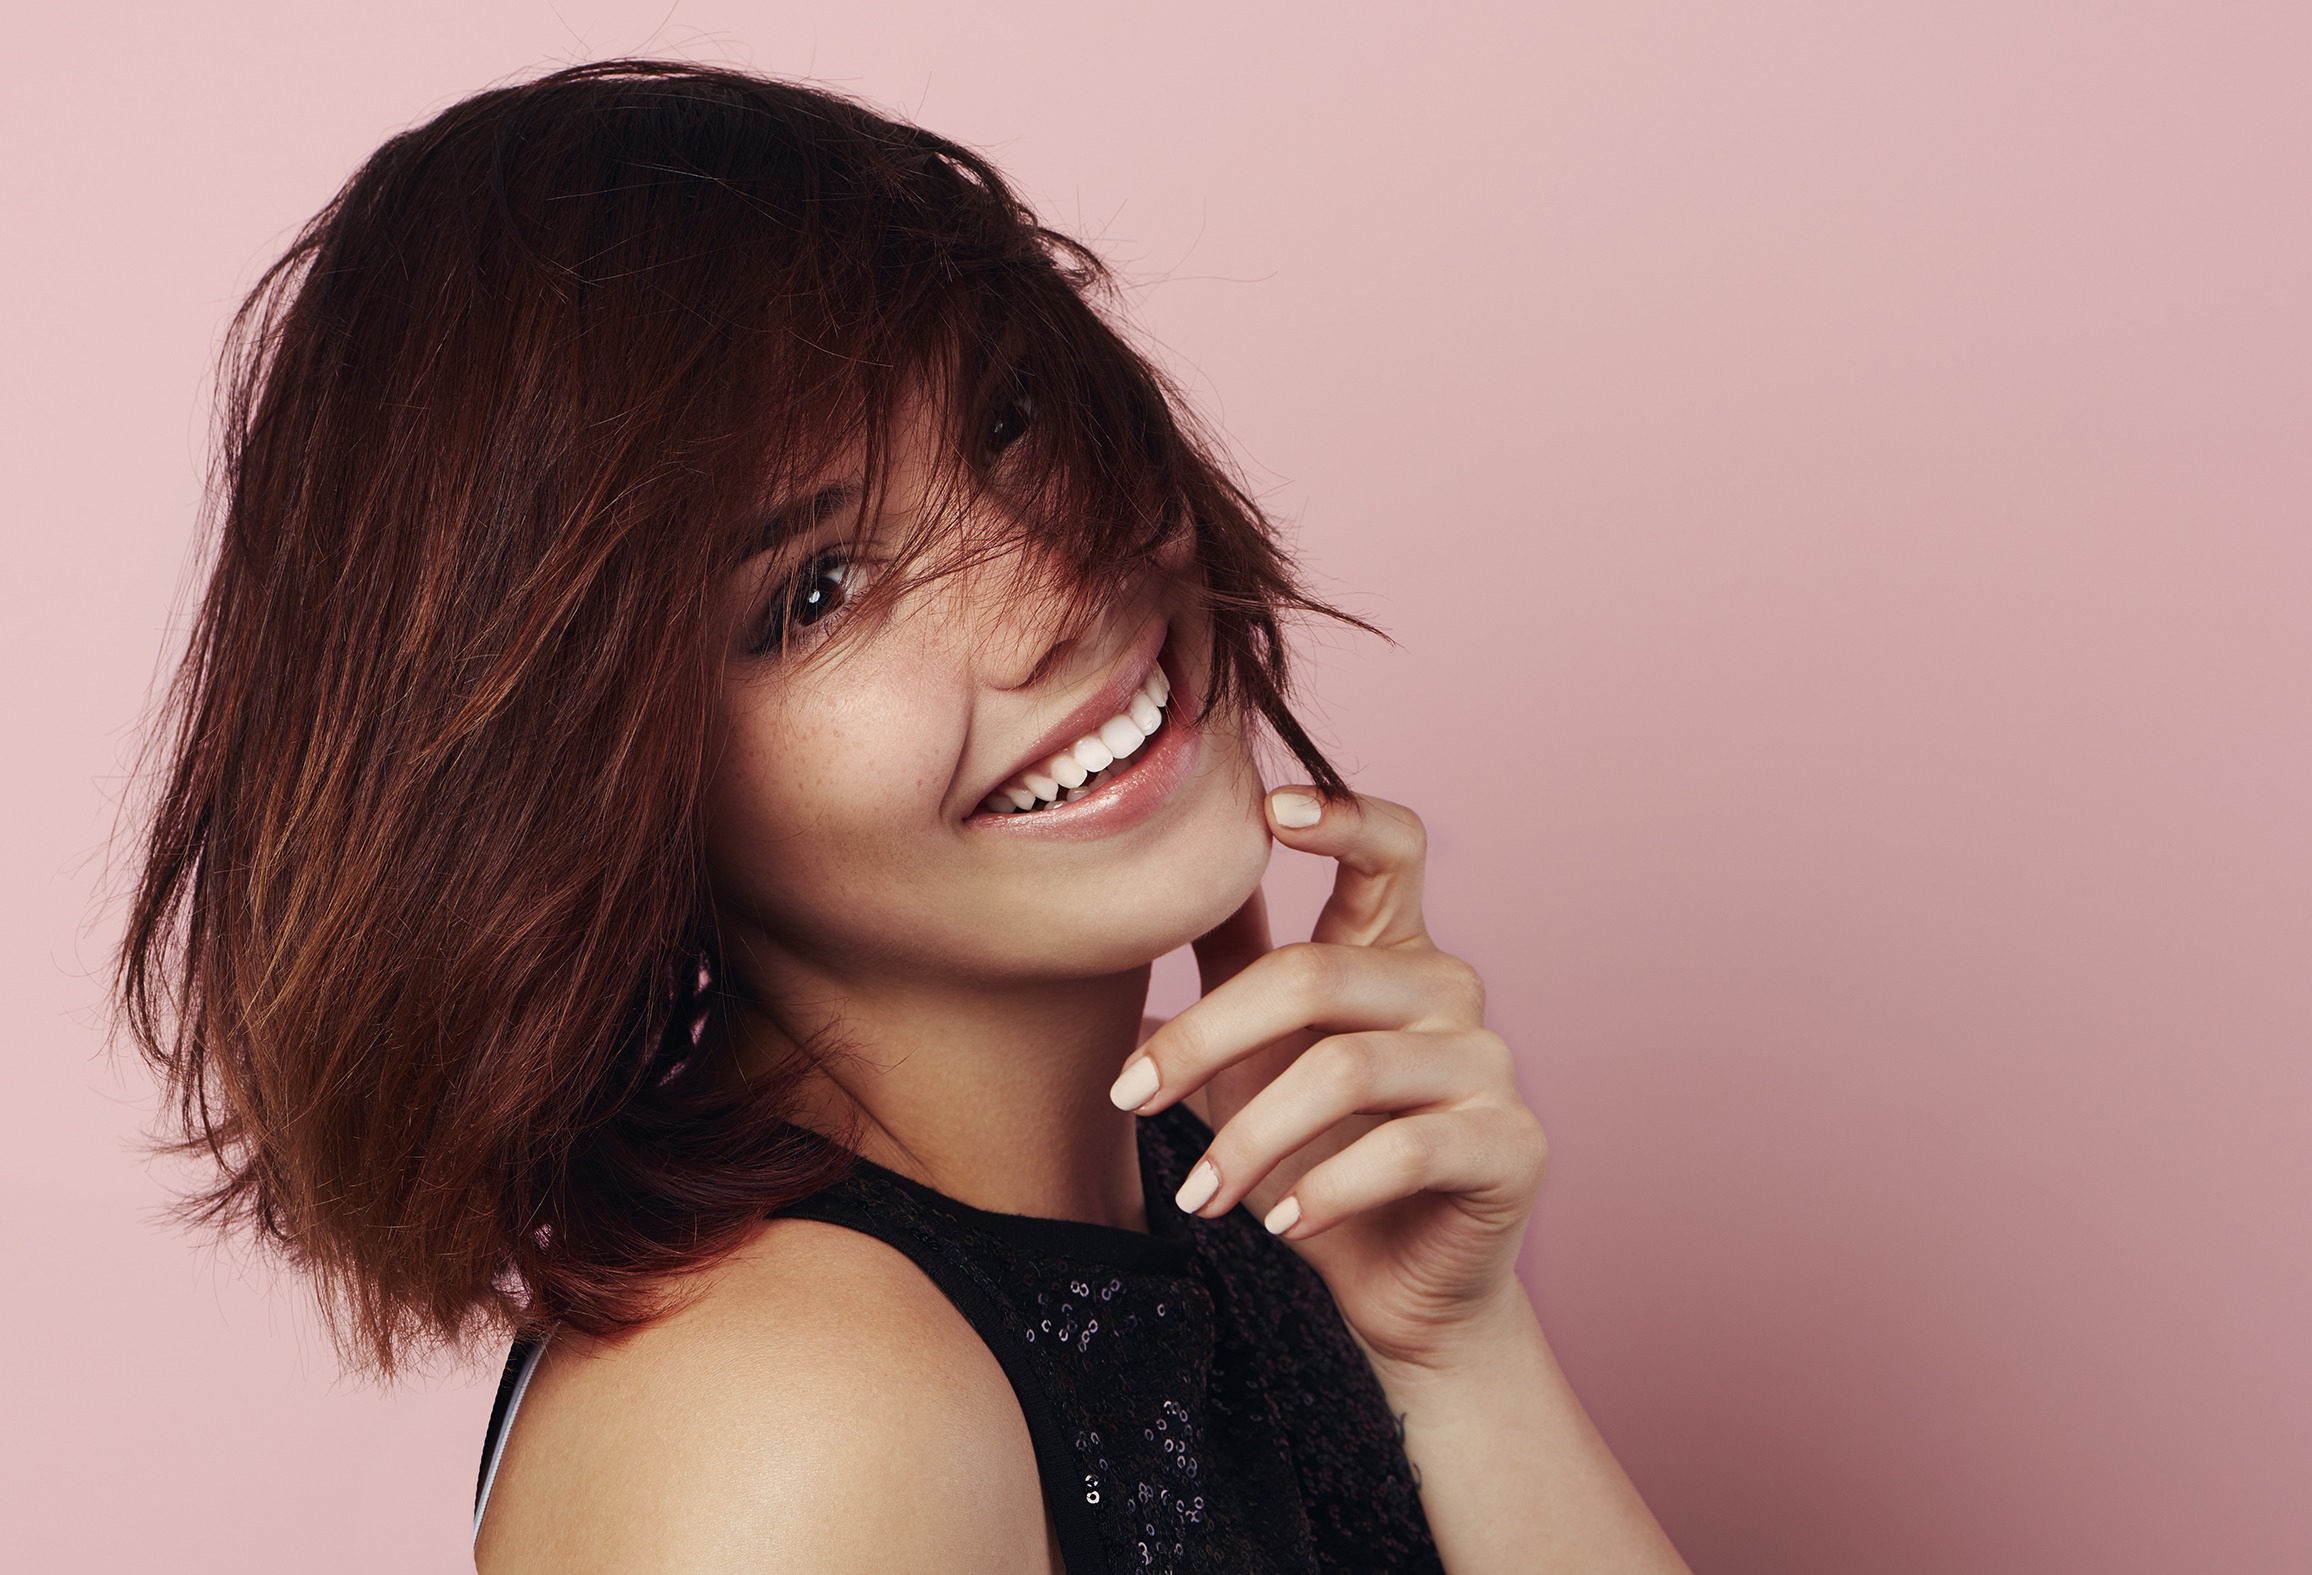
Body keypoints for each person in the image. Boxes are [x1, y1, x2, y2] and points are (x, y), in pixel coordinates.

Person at [119, 60, 1688, 1574]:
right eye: (817, 593)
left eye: (1009, 419)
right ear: (599, 792)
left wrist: (1457, 1355)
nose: (1050, 590)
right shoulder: (786, 1420)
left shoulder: (1212, 1203)